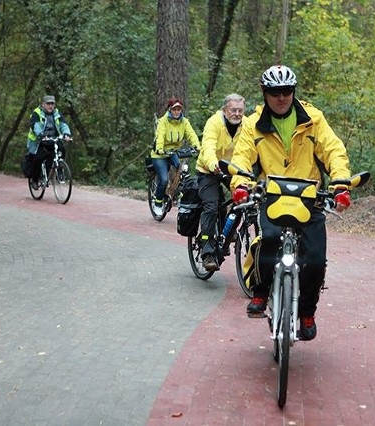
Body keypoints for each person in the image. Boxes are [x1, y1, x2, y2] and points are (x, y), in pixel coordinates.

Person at [229, 65, 352, 341]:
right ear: (265, 93)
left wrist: (341, 182)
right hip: (271, 196)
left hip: (308, 199)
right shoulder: (252, 123)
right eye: (274, 92)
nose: (281, 97)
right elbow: (241, 159)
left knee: (316, 261)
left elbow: (333, 149)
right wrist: (240, 185)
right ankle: (260, 291)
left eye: (286, 91)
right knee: (268, 239)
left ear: (294, 92)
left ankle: (306, 312)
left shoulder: (312, 118)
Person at [195, 93, 247, 271]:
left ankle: (228, 232)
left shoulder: (247, 125)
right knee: (211, 206)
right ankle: (207, 251)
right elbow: (208, 146)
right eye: (233, 110)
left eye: (240, 110)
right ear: (225, 110)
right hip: (209, 169)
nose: (237, 114)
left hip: (232, 170)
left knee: (243, 200)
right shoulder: (214, 122)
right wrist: (212, 164)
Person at [151, 97, 201, 216]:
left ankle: (175, 192)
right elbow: (160, 135)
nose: (177, 111)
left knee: (181, 170)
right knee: (163, 179)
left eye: (179, 109)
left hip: (173, 152)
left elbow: (191, 134)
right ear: (170, 109)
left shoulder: (184, 122)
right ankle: (158, 202)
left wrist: (197, 146)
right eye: (174, 109)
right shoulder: (163, 121)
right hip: (159, 154)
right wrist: (160, 148)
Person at [26, 95, 72, 189]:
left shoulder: (57, 113)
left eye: (52, 104)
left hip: (53, 139)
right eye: (48, 104)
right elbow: (35, 126)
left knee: (62, 149)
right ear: (43, 104)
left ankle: (60, 170)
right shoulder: (37, 113)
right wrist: (41, 135)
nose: (50, 106)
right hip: (40, 141)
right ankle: (35, 179)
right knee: (38, 158)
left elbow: (63, 124)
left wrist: (66, 134)